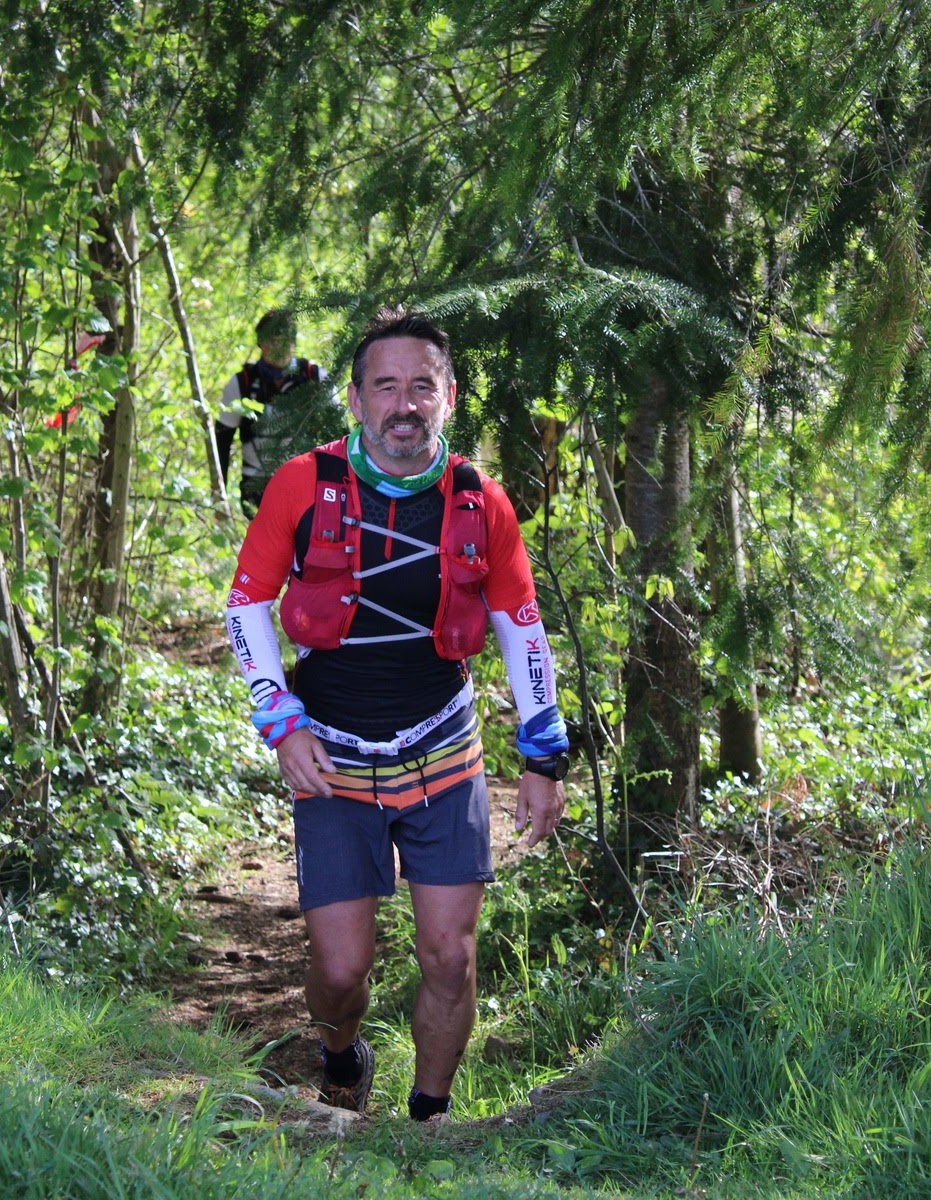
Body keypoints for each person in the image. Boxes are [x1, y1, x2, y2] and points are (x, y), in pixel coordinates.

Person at [223, 307, 572, 1123]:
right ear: (355, 399)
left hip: (443, 748)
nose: (404, 404)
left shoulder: (481, 501)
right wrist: (281, 720)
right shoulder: (302, 485)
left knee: (449, 956)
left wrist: (543, 754)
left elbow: (522, 628)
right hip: (331, 755)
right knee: (340, 972)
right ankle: (342, 1058)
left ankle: (429, 1123)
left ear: (449, 397)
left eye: (422, 386)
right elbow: (246, 605)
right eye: (385, 387)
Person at [214, 308, 337, 514]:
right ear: (260, 343)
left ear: (294, 342)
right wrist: (219, 496)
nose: (278, 347)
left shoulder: (315, 378)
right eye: (272, 340)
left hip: (306, 483)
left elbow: (339, 434)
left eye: (285, 340)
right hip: (257, 484)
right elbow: (221, 441)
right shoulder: (242, 383)